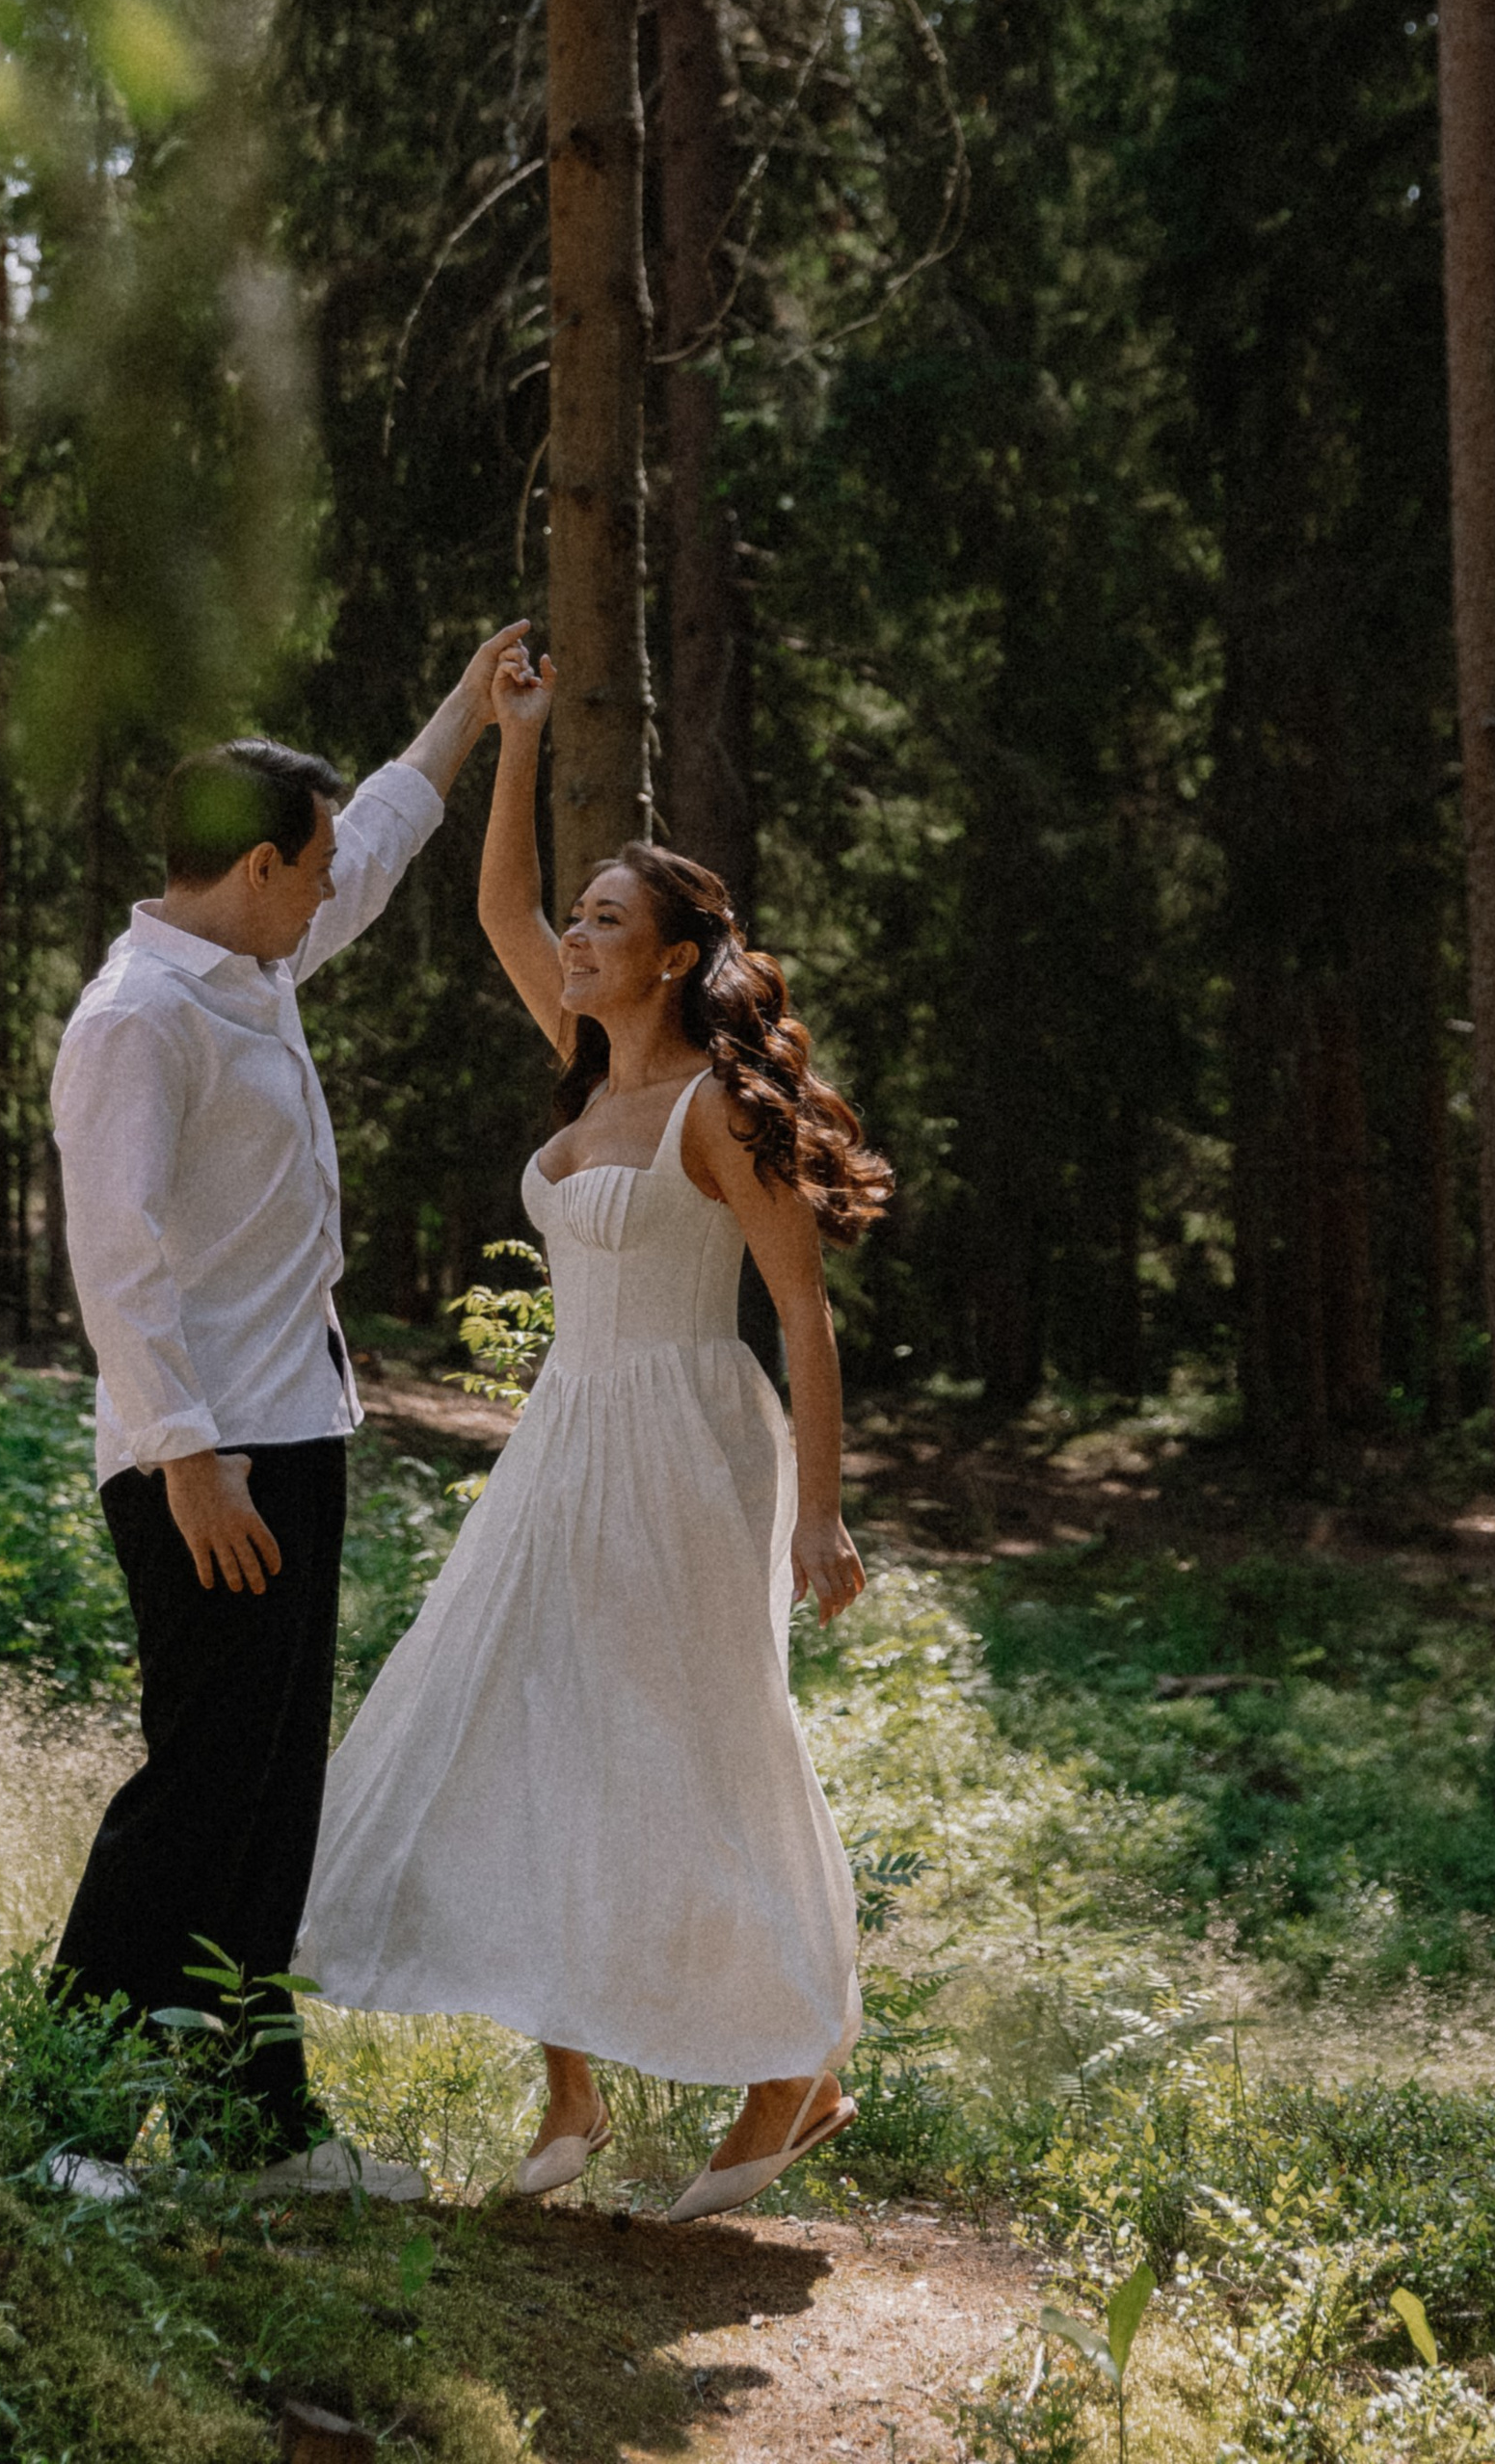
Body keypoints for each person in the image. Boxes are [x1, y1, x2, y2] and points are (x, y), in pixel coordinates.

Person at [298, 632, 890, 2222]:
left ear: (676, 959)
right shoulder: (586, 1074)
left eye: (608, 920)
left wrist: (820, 1513)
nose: (574, 935)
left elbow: (802, 1312)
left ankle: (794, 2068)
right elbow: (501, 910)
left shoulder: (719, 1108)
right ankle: (569, 2086)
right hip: (566, 1433)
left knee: (697, 1746)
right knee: (528, 1724)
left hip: (693, 1443)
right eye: (583, 916)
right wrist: (515, 740)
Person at [48, 624, 527, 2183]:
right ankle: (60, 2125)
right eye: (307, 870)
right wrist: (190, 1460)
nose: (329, 890)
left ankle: (249, 2126)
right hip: (206, 1457)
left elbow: (374, 842)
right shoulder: (139, 1017)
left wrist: (467, 708)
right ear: (255, 867)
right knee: (197, 1789)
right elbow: (115, 1259)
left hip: (297, 1432)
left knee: (269, 1798)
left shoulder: (254, 968)